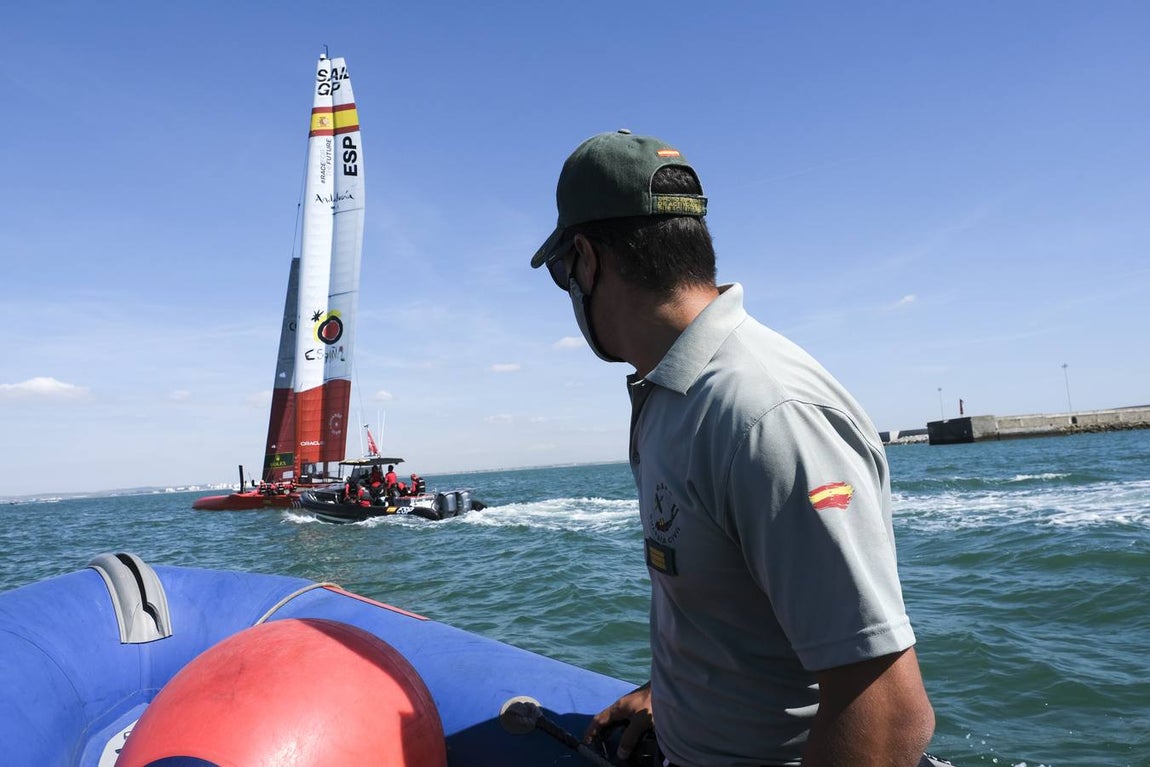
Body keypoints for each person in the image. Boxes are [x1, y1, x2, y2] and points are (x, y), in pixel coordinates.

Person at [530, 130, 935, 767]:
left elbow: (887, 707)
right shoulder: (669, 392)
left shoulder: (766, 417)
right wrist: (671, 692)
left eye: (562, 273)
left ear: (586, 258)